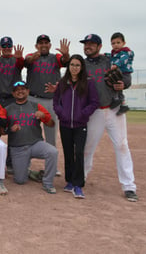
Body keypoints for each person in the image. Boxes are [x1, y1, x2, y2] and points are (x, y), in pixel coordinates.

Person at [80, 33, 138, 202]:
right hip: (94, 112)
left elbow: (126, 76)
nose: (87, 46)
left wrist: (123, 83)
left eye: (91, 44)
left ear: (99, 46)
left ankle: (129, 186)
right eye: (86, 44)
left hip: (114, 109)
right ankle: (81, 178)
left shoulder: (109, 60)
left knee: (122, 146)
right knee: (87, 147)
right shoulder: (82, 64)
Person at [53, 54, 99, 198]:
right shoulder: (62, 83)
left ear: (81, 67)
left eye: (77, 65)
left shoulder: (88, 83)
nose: (74, 68)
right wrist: (61, 113)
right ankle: (70, 181)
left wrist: (83, 114)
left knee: (79, 152)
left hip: (80, 124)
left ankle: (78, 185)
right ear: (69, 66)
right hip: (65, 123)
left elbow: (94, 102)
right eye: (72, 65)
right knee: (68, 152)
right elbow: (56, 102)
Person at [24, 35, 70, 177]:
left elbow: (64, 61)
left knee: (51, 135)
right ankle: (25, 165)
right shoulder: (32, 56)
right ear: (36, 45)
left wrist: (66, 54)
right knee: (28, 133)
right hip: (32, 99)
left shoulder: (54, 57)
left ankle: (52, 167)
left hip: (51, 100)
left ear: (49, 45)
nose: (43, 45)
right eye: (40, 43)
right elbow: (27, 61)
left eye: (45, 43)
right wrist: (34, 57)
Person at [5, 80, 58, 194]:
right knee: (20, 180)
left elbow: (51, 124)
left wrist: (44, 116)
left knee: (52, 152)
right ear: (13, 94)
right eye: (17, 90)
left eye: (23, 89)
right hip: (18, 148)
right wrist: (10, 129)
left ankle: (47, 183)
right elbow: (1, 130)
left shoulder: (36, 106)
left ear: (28, 91)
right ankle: (28, 172)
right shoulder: (8, 109)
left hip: (35, 144)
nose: (20, 92)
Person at [0, 36, 24, 173]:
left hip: (12, 99)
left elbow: (22, 63)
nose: (6, 49)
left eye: (9, 46)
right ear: (0, 47)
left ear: (12, 46)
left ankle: (10, 163)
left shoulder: (16, 60)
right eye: (4, 46)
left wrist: (20, 58)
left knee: (13, 131)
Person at [106, 32, 135, 115]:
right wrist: (104, 54)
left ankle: (118, 101)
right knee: (115, 87)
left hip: (125, 75)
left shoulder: (125, 53)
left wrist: (116, 64)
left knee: (116, 85)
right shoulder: (115, 54)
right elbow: (111, 56)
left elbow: (123, 59)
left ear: (123, 43)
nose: (115, 45)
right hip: (120, 74)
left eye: (118, 43)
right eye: (113, 43)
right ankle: (121, 103)